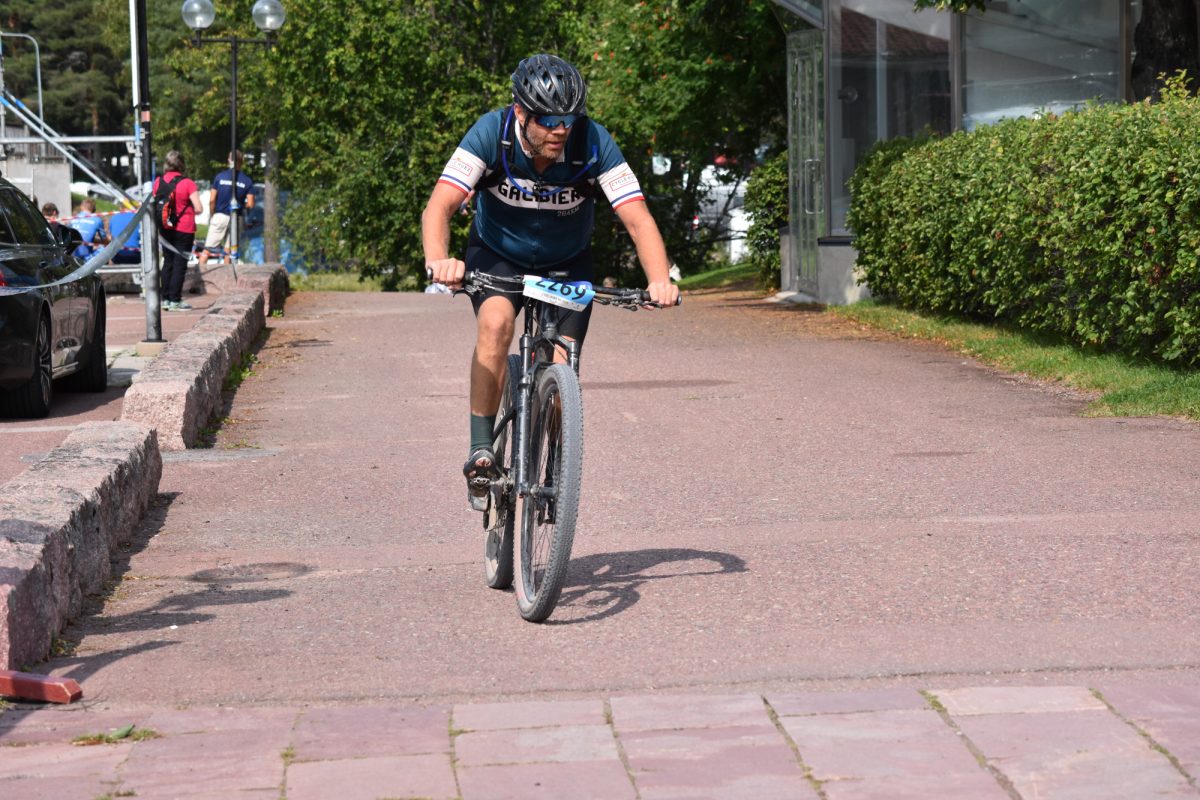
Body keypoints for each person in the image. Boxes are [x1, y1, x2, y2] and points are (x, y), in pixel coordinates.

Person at [422, 53, 679, 509]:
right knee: (496, 325)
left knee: (563, 367)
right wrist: (439, 260)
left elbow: (637, 220)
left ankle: (557, 463)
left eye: (569, 118)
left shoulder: (593, 142)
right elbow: (439, 206)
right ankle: (481, 451)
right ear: (521, 113)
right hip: (498, 256)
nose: (561, 129)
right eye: (549, 120)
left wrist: (659, 281)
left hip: (567, 263)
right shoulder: (491, 133)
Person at [153, 150, 203, 311]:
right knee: (180, 264)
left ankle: (166, 299)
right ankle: (175, 300)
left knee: (167, 262)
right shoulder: (188, 183)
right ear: (181, 164)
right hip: (184, 228)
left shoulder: (158, 181)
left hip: (164, 226)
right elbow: (199, 208)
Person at [199, 151, 256, 266]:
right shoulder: (247, 181)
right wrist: (240, 205)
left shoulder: (220, 177)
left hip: (220, 215)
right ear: (242, 162)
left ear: (229, 160)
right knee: (229, 251)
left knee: (207, 249)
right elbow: (250, 204)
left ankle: (199, 273)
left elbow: (212, 200)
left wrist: (212, 214)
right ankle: (227, 274)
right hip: (236, 218)